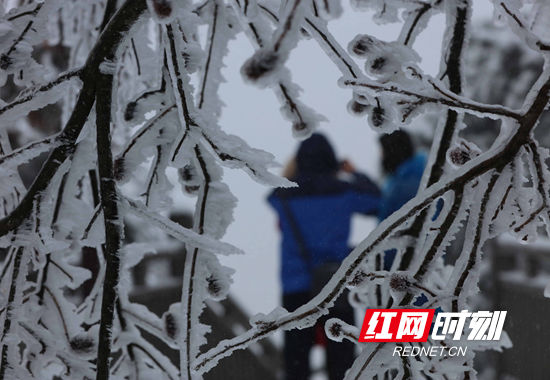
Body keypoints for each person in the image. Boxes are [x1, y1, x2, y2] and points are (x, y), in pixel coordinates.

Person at [267, 133, 380, 380]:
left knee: (296, 367)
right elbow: (375, 201)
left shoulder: (283, 197)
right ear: (331, 160)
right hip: (335, 285)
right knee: (342, 365)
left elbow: (272, 195)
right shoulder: (344, 192)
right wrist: (354, 173)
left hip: (296, 288)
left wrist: (293, 172)